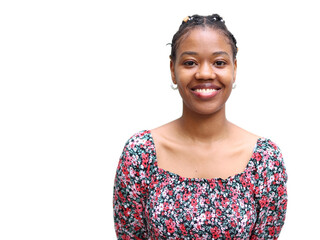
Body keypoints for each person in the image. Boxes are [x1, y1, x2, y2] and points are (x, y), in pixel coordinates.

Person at [113, 14, 287, 239]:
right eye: (190, 63)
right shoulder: (140, 153)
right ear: (172, 69)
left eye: (219, 63)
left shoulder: (264, 159)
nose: (205, 73)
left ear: (234, 68)